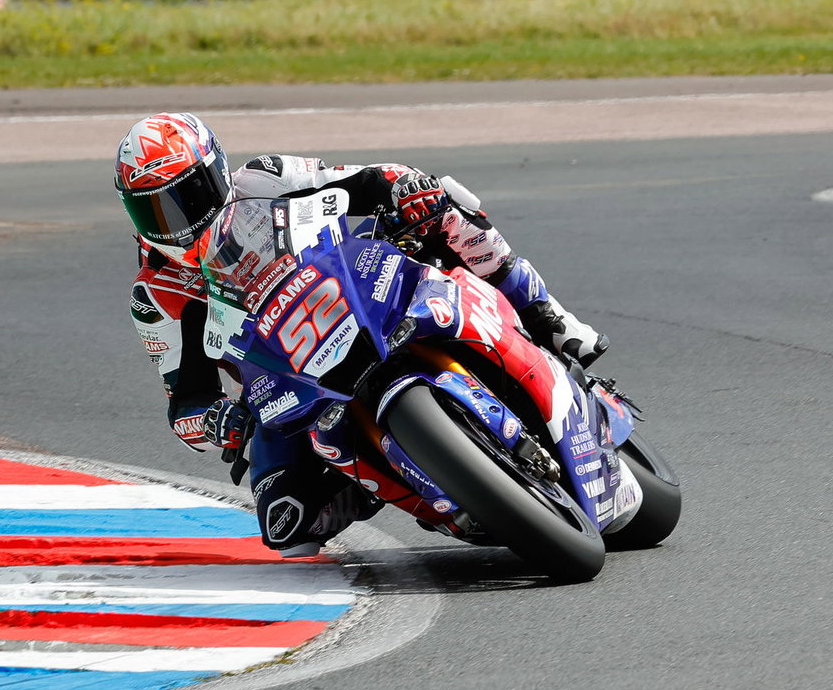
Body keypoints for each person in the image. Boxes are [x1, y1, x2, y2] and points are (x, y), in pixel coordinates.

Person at [114, 112, 607, 557]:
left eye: (185, 198)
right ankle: (398, 481)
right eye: (153, 211)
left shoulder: (264, 178)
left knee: (446, 201)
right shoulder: (156, 294)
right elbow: (185, 402)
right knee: (288, 527)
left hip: (357, 289)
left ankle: (547, 316)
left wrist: (404, 189)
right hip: (287, 382)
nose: (174, 224)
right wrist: (219, 421)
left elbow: (366, 180)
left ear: (218, 171)